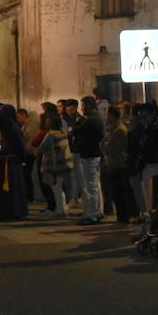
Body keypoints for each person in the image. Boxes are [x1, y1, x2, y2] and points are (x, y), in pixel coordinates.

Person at [71, 96, 104, 224]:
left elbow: (77, 131)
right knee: (94, 185)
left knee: (91, 186)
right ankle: (95, 211)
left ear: (90, 106)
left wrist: (78, 124)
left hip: (90, 155)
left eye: (84, 106)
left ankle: (92, 214)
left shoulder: (92, 120)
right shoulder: (94, 119)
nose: (82, 108)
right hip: (92, 155)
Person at [0, 104, 28, 220]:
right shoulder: (7, 127)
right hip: (7, 161)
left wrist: (21, 157)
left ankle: (14, 211)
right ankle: (7, 211)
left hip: (12, 162)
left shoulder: (12, 127)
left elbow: (19, 144)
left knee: (12, 188)